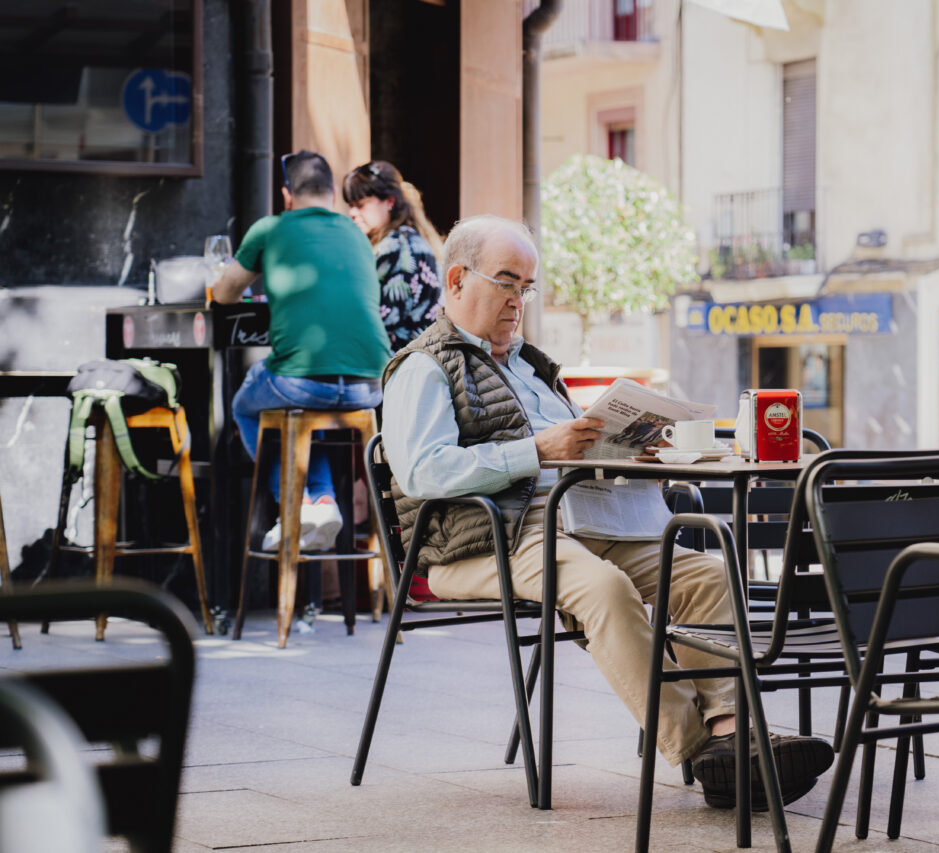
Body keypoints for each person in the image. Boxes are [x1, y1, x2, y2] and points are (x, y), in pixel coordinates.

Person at [380, 214, 833, 809]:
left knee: (706, 573)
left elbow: (568, 453)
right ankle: (699, 749)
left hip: (579, 524)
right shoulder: (424, 368)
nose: (520, 301)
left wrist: (621, 448)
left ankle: (731, 729)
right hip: (482, 542)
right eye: (509, 282)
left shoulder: (532, 368)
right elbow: (422, 470)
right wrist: (536, 450)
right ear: (459, 279)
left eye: (529, 287)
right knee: (605, 589)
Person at [212, 150, 391, 552]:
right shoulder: (356, 235)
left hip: (303, 382)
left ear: (286, 194)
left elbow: (224, 295)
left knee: (247, 405)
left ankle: (292, 506)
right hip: (370, 386)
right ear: (331, 193)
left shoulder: (269, 229)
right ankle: (322, 501)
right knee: (310, 421)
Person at [342, 160, 445, 351]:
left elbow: (381, 321)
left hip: (399, 366)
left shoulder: (397, 247)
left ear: (389, 201)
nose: (352, 212)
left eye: (360, 205)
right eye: (350, 205)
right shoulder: (409, 240)